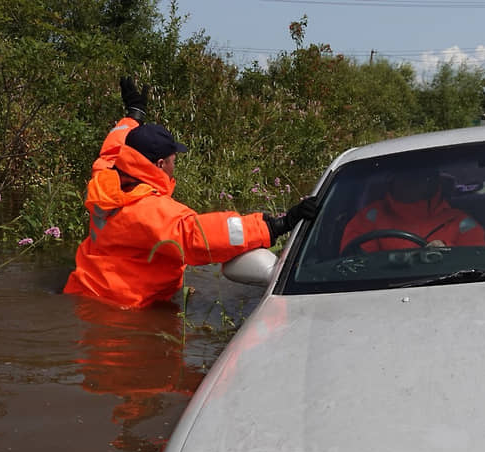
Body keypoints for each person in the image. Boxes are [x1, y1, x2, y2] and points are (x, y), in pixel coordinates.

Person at [64, 78, 317, 308]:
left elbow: (112, 148)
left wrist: (133, 116)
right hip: (125, 309)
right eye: (174, 159)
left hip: (82, 292)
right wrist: (277, 225)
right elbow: (198, 238)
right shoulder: (150, 210)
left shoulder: (104, 177)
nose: (176, 165)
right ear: (161, 164)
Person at [339, 166, 485, 253]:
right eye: (404, 176)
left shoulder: (460, 222)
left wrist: (449, 253)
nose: (410, 183)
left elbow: (480, 259)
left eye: (419, 177)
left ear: (433, 182)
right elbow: (354, 263)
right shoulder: (369, 216)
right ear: (392, 180)